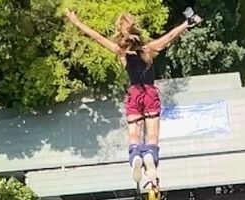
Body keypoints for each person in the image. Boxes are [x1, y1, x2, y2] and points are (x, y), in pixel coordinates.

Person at [64, 9, 201, 184]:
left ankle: (136, 155)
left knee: (134, 135)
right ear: (136, 30)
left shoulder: (120, 51)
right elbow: (169, 36)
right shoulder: (149, 49)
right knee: (152, 135)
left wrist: (75, 21)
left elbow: (96, 37)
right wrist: (186, 24)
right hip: (150, 93)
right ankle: (150, 155)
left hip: (134, 93)